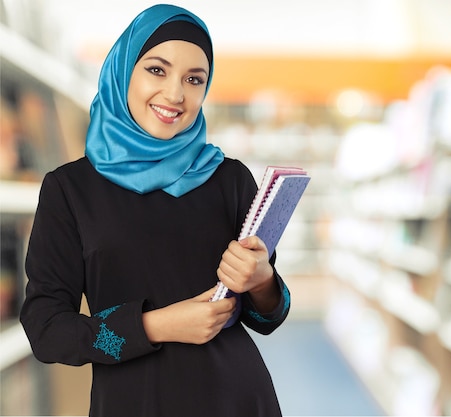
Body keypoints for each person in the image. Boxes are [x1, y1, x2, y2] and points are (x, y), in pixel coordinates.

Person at [19, 4, 290, 417]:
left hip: (238, 400)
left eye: (194, 79)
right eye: (157, 70)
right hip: (134, 404)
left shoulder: (229, 179)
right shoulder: (70, 190)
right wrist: (154, 326)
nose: (176, 94)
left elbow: (269, 316)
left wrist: (262, 279)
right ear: (124, 70)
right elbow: (47, 331)